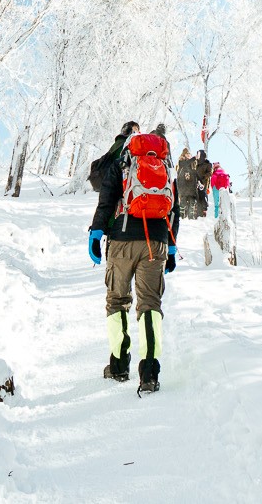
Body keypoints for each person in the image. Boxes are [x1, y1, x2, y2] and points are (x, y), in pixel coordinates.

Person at [88, 121, 178, 394]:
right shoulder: (167, 166)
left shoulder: (122, 163)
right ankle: (149, 373)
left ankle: (118, 365)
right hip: (156, 242)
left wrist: (96, 232)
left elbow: (105, 199)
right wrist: (171, 247)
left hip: (122, 240)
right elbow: (176, 209)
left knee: (117, 300)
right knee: (150, 303)